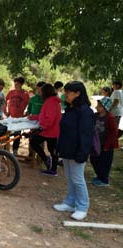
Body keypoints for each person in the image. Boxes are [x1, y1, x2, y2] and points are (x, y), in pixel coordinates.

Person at [54, 81, 94, 221]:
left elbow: (86, 134)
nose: (66, 95)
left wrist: (83, 153)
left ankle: (82, 207)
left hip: (78, 150)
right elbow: (65, 130)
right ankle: (70, 203)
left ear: (78, 93)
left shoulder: (85, 111)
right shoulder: (70, 109)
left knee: (77, 179)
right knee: (70, 177)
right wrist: (59, 147)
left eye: (68, 92)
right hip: (67, 148)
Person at [28, 84, 62, 176]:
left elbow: (49, 119)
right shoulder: (51, 101)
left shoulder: (50, 102)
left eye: (41, 91)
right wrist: (33, 117)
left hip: (49, 131)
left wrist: (41, 128)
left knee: (34, 141)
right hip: (51, 130)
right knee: (52, 150)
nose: (40, 93)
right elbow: (44, 116)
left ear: (46, 92)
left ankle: (49, 163)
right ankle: (52, 168)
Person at [90, 96, 118, 186]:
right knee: (94, 159)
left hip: (106, 145)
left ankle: (104, 180)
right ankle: (99, 176)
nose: (96, 107)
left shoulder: (110, 118)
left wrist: (107, 145)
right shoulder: (96, 116)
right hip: (97, 144)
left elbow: (113, 133)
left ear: (105, 108)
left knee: (105, 163)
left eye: (99, 106)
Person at [4, 76, 29, 156]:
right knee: (6, 134)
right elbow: (5, 101)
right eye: (15, 83)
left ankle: (15, 151)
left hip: (19, 118)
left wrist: (26, 113)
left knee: (17, 135)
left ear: (21, 84)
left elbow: (29, 105)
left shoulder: (25, 94)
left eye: (17, 84)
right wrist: (6, 111)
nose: (15, 85)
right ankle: (5, 150)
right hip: (10, 117)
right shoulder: (11, 92)